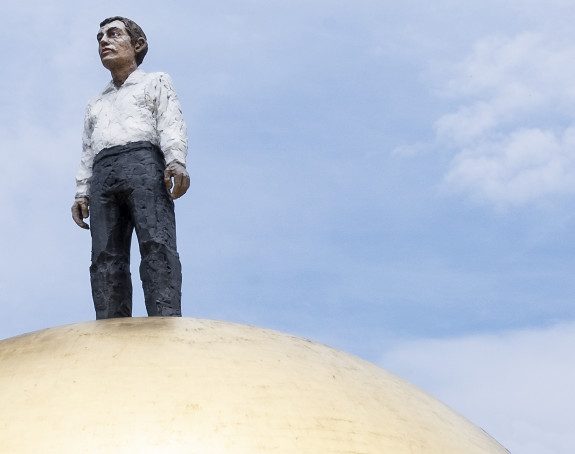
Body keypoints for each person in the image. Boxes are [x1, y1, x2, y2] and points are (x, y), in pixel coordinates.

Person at [71, 16, 189, 319]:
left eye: (113, 35)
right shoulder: (95, 103)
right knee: (105, 255)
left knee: (156, 242)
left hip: (143, 164)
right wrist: (82, 191)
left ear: (137, 45)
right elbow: (88, 148)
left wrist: (175, 159)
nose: (104, 42)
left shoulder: (155, 81)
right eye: (99, 38)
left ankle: (164, 319)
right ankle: (110, 324)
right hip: (103, 173)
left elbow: (170, 121)